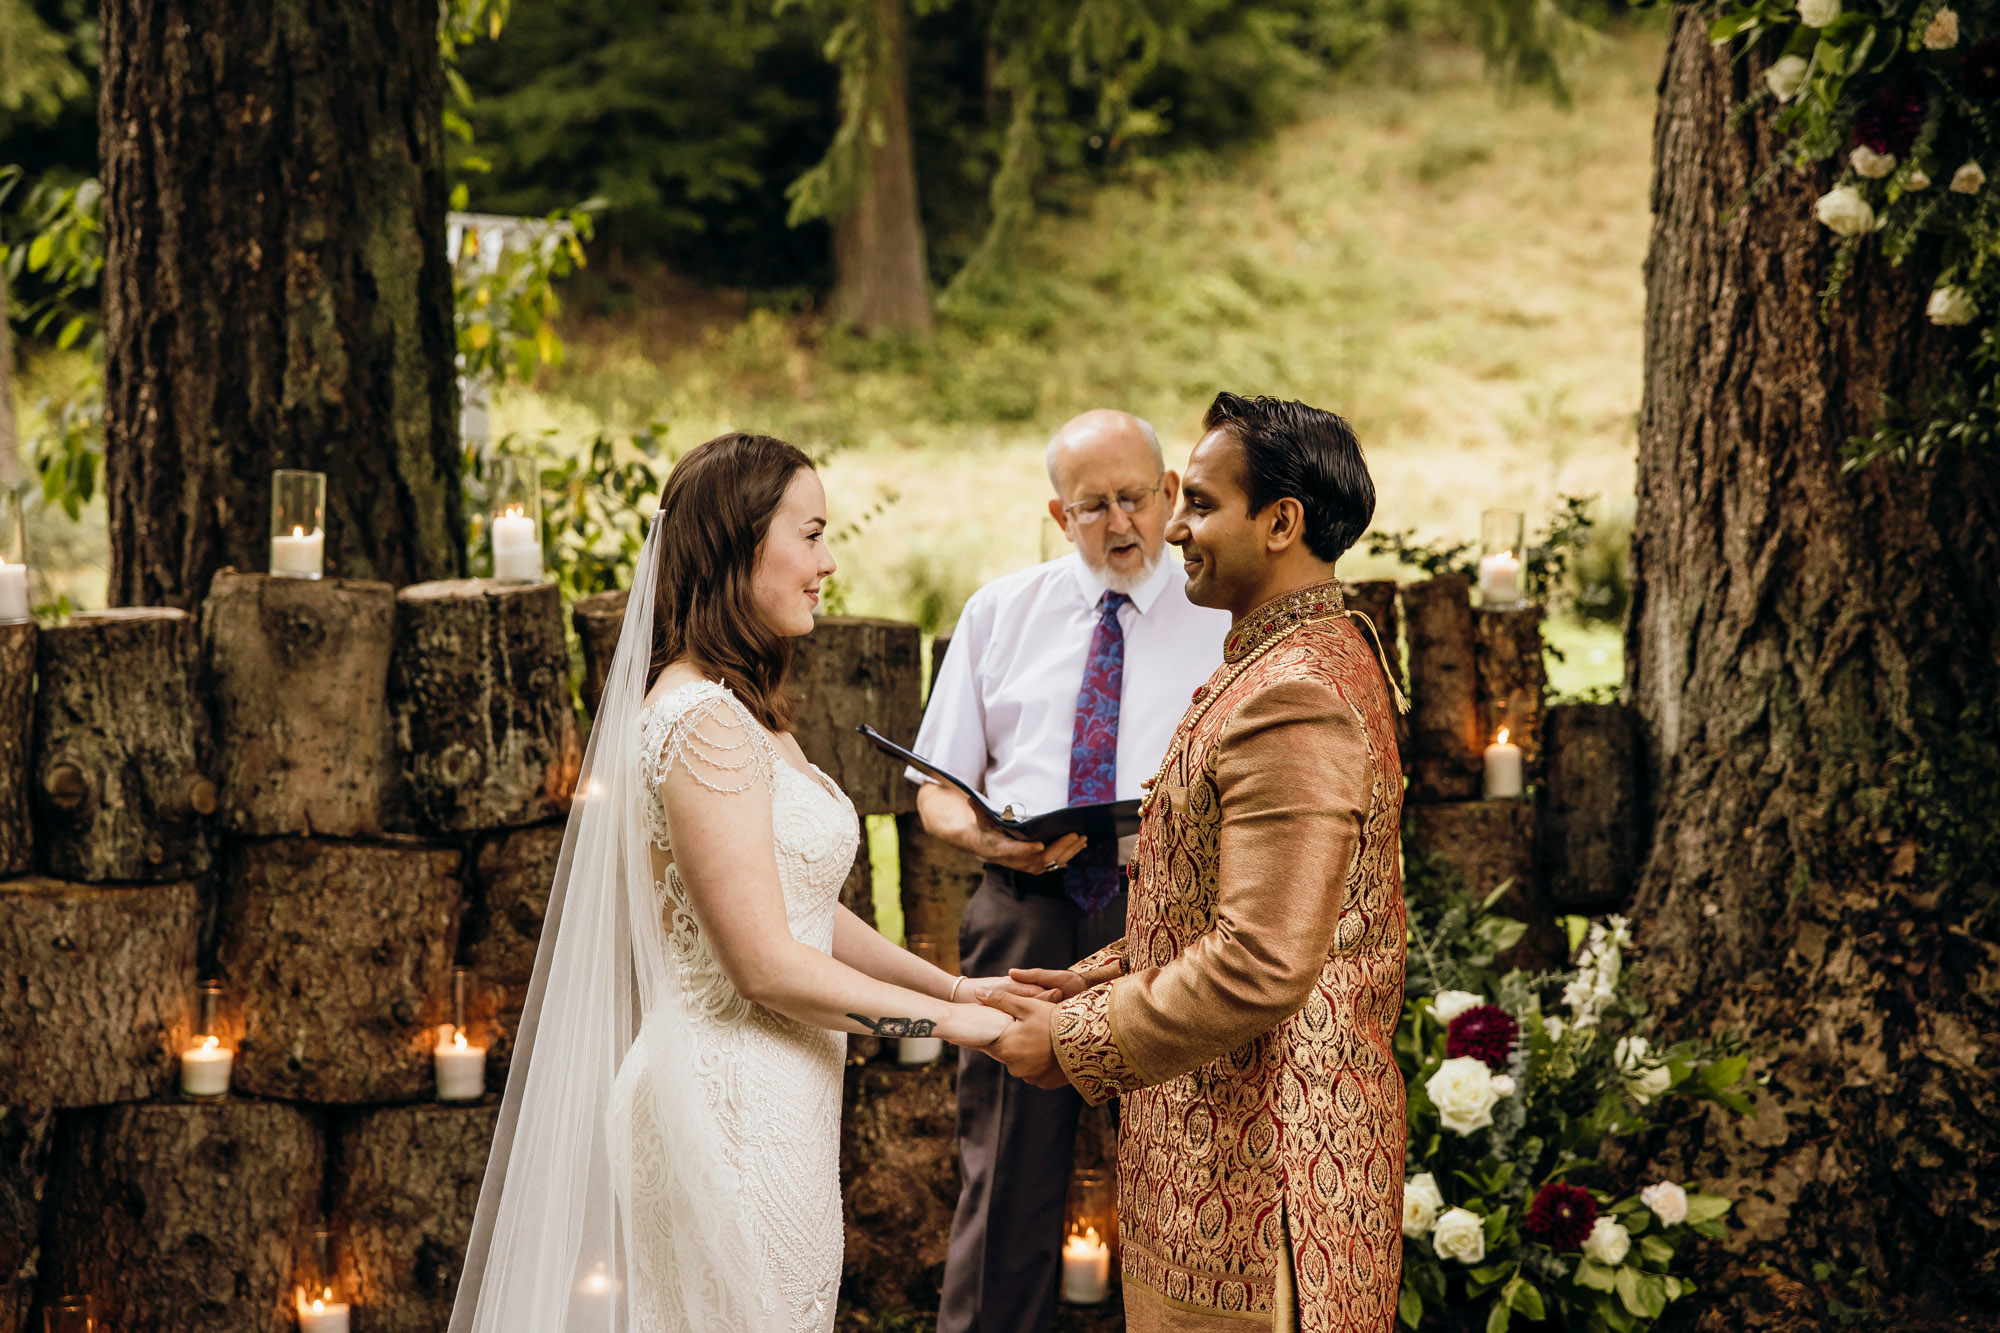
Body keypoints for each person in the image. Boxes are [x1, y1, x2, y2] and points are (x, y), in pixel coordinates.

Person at [449, 432, 1022, 1333]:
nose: (828, 561)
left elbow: (803, 913)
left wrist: (954, 984)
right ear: (736, 544)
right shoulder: (702, 723)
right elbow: (764, 965)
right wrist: (954, 1026)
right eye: (811, 533)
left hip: (782, 1098)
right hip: (726, 1107)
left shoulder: (744, 711)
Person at [983, 393, 1409, 1333]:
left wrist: (1072, 1042)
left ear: (1282, 522)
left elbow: (1260, 961)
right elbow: (1214, 908)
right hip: (1216, 1167)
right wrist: (1083, 985)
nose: (1173, 525)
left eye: (1203, 504)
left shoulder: (1294, 693)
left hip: (1267, 1191)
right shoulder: (1277, 660)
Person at [913, 409, 1229, 1333]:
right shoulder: (999, 612)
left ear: (1172, 495)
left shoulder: (1223, 617)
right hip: (1027, 912)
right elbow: (937, 791)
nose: (1120, 523)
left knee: (1187, 1159)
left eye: (1136, 497)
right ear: (1060, 515)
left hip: (1168, 922)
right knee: (1004, 1168)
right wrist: (988, 841)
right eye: (1093, 506)